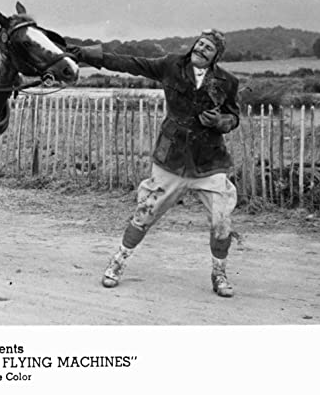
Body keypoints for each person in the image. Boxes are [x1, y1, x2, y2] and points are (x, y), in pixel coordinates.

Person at [70, 29, 241, 297]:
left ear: (216, 56)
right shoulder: (171, 65)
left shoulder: (227, 82)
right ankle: (118, 262)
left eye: (209, 47)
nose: (202, 48)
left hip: (209, 162)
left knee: (222, 221)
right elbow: (132, 63)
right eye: (200, 43)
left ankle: (219, 273)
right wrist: (92, 56)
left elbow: (233, 116)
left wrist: (221, 122)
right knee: (145, 213)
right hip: (171, 158)